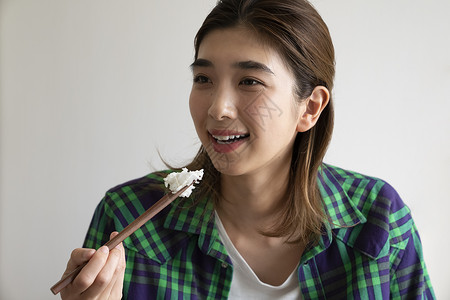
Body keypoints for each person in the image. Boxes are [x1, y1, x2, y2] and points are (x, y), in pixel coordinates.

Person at [59, 0, 435, 299]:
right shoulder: (127, 216)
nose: (217, 107)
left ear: (309, 107)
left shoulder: (380, 220)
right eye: (203, 78)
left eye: (250, 81)